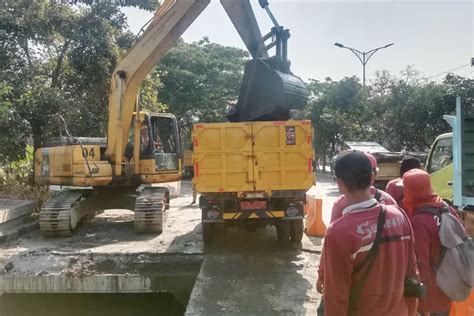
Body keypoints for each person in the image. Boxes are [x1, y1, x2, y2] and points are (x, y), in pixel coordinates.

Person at [321, 150, 418, 316]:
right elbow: (413, 275)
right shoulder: (399, 215)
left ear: (339, 182)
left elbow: (336, 297)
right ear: (372, 178)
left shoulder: (339, 232)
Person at [404, 169, 459, 316]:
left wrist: (420, 301)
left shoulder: (419, 221)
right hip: (451, 284)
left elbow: (421, 264)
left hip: (432, 295)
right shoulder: (448, 210)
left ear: (410, 191)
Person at [330, 152, 396, 223]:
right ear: (372, 177)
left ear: (340, 182)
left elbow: (332, 231)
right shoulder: (389, 201)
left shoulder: (340, 203)